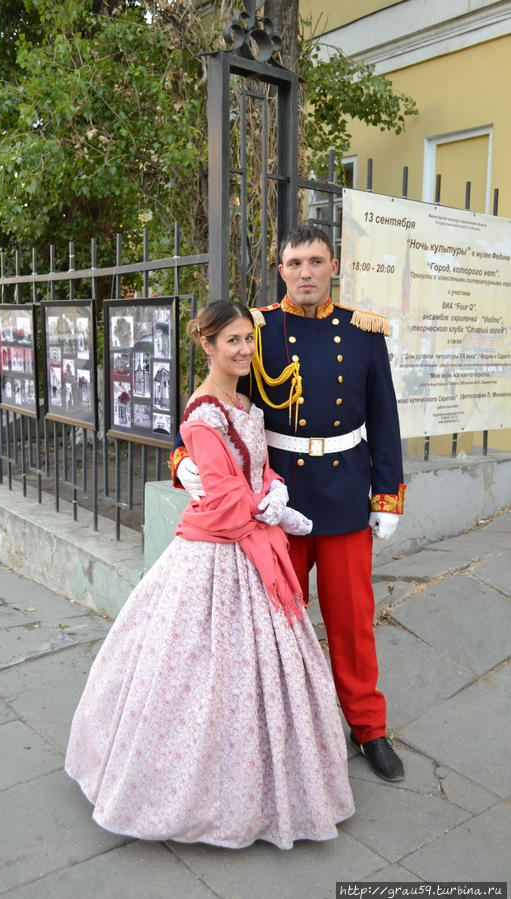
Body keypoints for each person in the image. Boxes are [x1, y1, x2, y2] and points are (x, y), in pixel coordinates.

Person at [66, 300, 354, 849]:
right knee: (201, 671)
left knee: (257, 670)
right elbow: (220, 500)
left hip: (249, 539)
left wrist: (271, 487)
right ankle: (193, 794)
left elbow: (254, 466)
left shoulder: (243, 401)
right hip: (220, 551)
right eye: (233, 341)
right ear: (207, 344)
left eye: (249, 339)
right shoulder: (203, 414)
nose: (245, 350)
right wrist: (265, 509)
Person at [171, 226, 406, 782]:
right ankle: (284, 729)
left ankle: (369, 727)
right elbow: (212, 397)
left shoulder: (364, 333)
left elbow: (385, 418)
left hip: (347, 492)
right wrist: (182, 455)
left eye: (316, 261)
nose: (305, 272)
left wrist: (388, 493)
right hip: (277, 501)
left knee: (353, 622)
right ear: (281, 270)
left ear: (334, 266)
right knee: (278, 623)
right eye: (295, 262)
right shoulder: (257, 330)